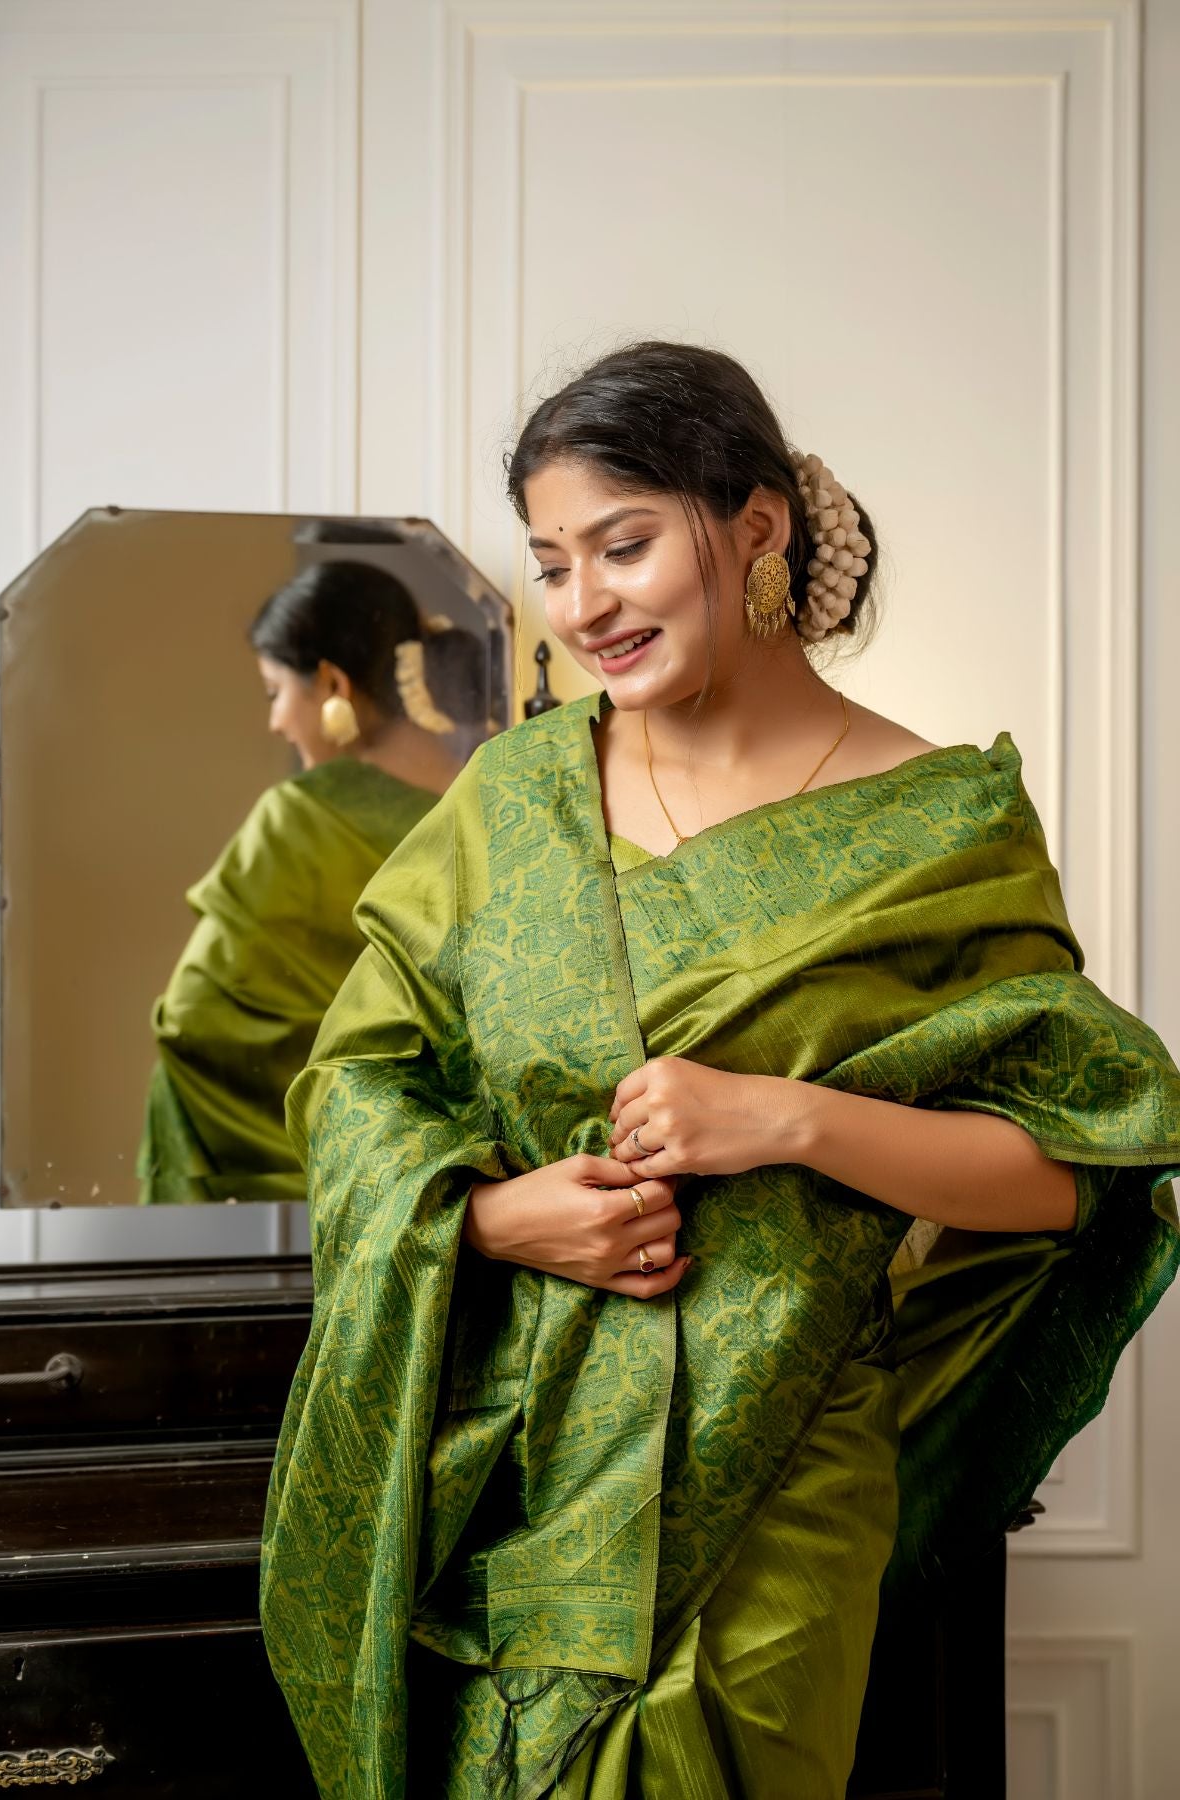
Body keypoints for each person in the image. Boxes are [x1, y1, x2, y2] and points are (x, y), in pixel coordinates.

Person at [260, 343, 1180, 1797]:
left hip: (774, 1495)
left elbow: (1079, 1172)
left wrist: (793, 1120)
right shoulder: (517, 800)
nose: (584, 606)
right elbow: (361, 1082)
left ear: (756, 527)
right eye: (555, 564)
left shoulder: (938, 827)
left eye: (624, 546)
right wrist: (494, 1219)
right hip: (513, 1474)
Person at [138, 558, 482, 1204]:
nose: (274, 720)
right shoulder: (491, 806)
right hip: (454, 1196)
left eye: (274, 691)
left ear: (330, 684)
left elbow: (192, 1025)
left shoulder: (295, 819)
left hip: (290, 1214)